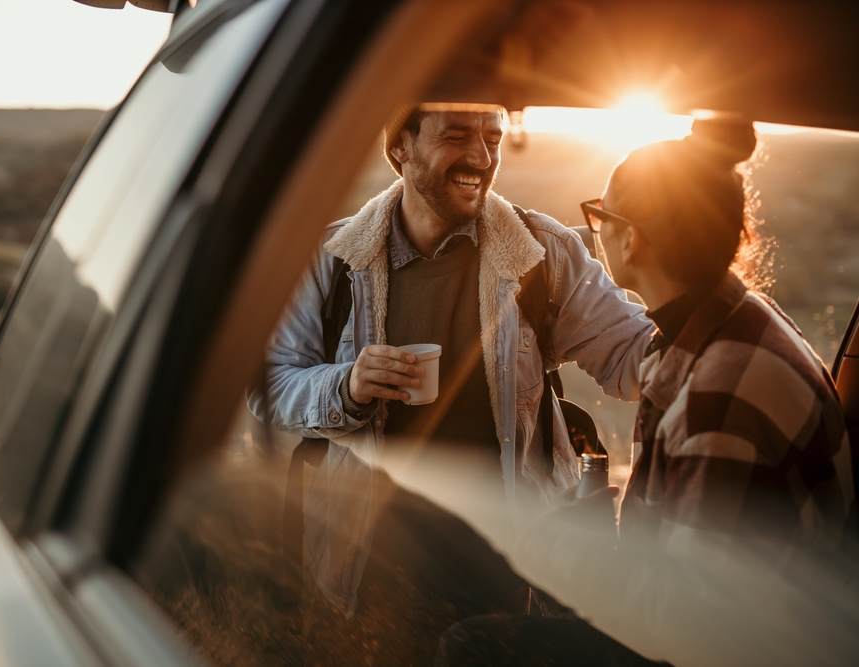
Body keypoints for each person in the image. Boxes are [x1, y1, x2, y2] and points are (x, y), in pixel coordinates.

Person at [249, 102, 652, 648]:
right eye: (457, 135)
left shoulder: (542, 253)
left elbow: (635, 355)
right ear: (400, 148)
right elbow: (269, 386)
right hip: (365, 578)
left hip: (511, 579)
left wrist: (725, 332)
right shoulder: (334, 261)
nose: (481, 156)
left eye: (493, 137)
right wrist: (346, 387)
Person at [503, 120, 859, 666]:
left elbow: (687, 627)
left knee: (474, 645)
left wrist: (570, 551)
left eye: (600, 218)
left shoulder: (721, 399)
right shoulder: (736, 319)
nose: (592, 232)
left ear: (632, 237)